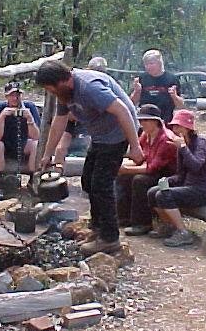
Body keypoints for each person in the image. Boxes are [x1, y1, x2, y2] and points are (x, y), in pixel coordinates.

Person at [37, 60, 143, 257]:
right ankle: (98, 229)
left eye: (51, 88)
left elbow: (123, 111)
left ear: (63, 80)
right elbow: (59, 122)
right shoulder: (64, 92)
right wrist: (47, 154)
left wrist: (135, 146)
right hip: (100, 136)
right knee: (88, 180)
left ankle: (110, 239)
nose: (50, 92)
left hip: (117, 135)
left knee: (102, 184)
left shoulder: (89, 87)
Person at [147, 109, 206, 247]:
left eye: (178, 126)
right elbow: (181, 175)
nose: (175, 129)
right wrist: (167, 181)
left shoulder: (201, 143)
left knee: (163, 195)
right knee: (152, 192)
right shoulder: (182, 145)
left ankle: (183, 232)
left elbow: (195, 166)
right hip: (188, 186)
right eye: (174, 126)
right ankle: (169, 226)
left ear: (188, 128)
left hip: (203, 190)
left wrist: (183, 148)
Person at [115, 104, 177, 235]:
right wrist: (123, 166)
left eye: (145, 120)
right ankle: (124, 217)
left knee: (140, 181)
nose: (142, 124)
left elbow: (152, 168)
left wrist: (126, 169)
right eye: (141, 121)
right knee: (123, 177)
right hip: (152, 169)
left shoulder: (166, 140)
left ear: (156, 121)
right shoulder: (146, 135)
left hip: (166, 175)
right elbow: (141, 158)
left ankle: (142, 223)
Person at [0, 81, 41, 197]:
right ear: (6, 96)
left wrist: (29, 119)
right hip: (5, 146)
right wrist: (2, 117)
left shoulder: (30, 106)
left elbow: (36, 136)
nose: (15, 98)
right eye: (12, 95)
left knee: (36, 144)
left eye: (18, 95)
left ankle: (33, 179)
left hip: (24, 144)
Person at [54, 57, 106, 166]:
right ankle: (57, 175)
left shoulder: (104, 85)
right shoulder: (79, 83)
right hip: (72, 124)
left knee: (88, 145)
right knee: (60, 149)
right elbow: (65, 114)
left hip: (92, 125)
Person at [130, 49, 184, 123]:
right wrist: (137, 91)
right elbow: (131, 103)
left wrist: (174, 96)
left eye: (151, 63)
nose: (148, 66)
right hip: (145, 122)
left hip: (165, 121)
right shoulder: (141, 79)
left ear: (160, 63)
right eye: (146, 64)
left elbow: (180, 105)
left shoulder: (172, 79)